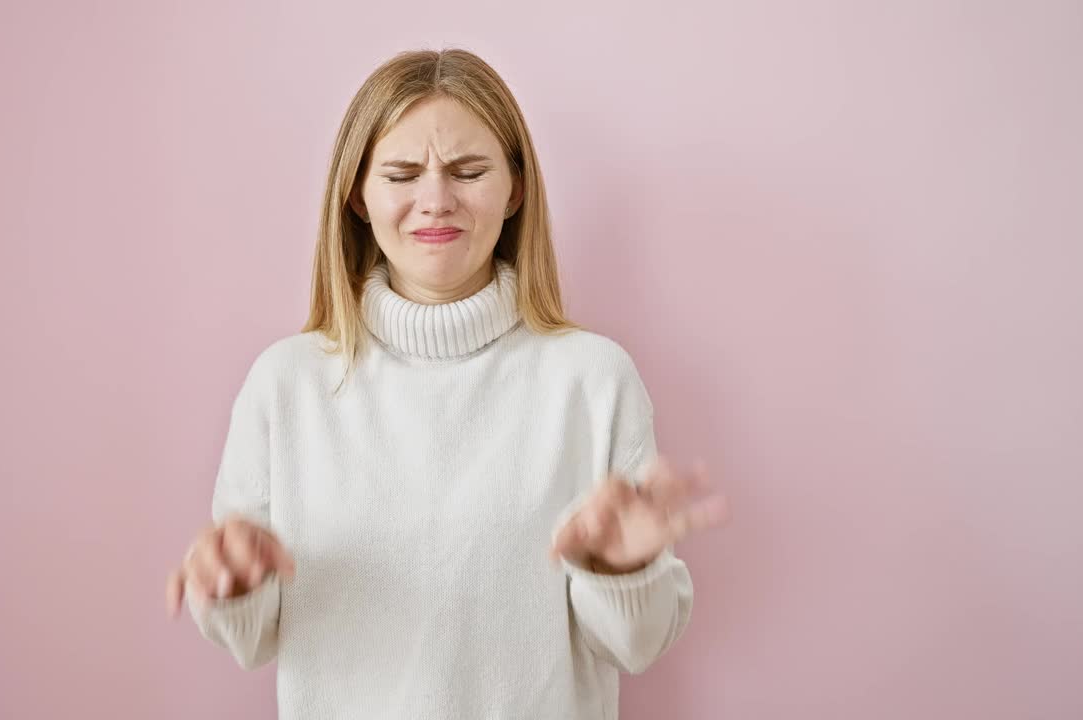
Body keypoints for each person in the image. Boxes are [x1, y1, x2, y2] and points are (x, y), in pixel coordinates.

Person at [164, 47, 731, 719]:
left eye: (468, 170)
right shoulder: (285, 386)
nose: (435, 200)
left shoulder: (592, 380)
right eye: (402, 173)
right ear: (357, 195)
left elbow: (638, 645)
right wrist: (234, 587)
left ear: (515, 188)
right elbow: (249, 640)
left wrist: (623, 572)